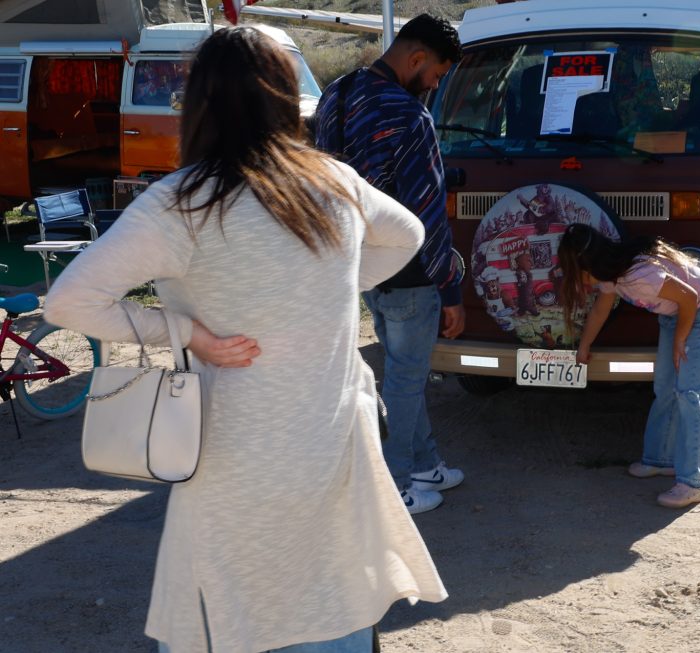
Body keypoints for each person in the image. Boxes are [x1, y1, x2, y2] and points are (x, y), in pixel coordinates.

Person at [43, 27, 447, 652]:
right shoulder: (335, 183)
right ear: (287, 99)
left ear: (197, 104)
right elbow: (410, 234)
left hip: (232, 455)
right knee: (334, 602)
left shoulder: (180, 204)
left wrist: (183, 333)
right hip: (332, 444)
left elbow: (70, 301)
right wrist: (335, 291)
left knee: (235, 615)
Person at [314, 14, 465, 515]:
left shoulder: (337, 93)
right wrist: (451, 287)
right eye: (438, 75)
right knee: (405, 380)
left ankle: (426, 465)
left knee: (405, 373)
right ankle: (396, 485)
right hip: (409, 272)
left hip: (358, 264)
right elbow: (426, 211)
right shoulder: (409, 116)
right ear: (417, 58)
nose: (436, 85)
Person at [557, 224, 700, 508]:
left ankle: (691, 483)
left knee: (690, 393)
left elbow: (689, 298)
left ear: (590, 265)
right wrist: (584, 345)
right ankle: (660, 459)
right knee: (665, 386)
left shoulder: (640, 276)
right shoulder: (611, 275)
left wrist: (680, 341)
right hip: (676, 315)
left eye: (576, 272)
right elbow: (601, 308)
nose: (579, 281)